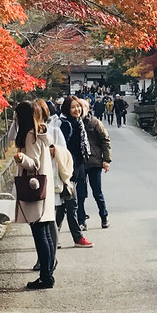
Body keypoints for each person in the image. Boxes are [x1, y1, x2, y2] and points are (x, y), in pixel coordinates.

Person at [14, 99, 72, 288]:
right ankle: (48, 273)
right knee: (45, 232)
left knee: (41, 235)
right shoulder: (41, 133)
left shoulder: (30, 135)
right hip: (43, 189)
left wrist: (21, 159)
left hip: (35, 190)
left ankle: (46, 276)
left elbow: (33, 163)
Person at [58, 97, 94, 248]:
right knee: (71, 205)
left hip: (77, 170)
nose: (76, 110)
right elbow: (62, 150)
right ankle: (77, 238)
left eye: (78, 107)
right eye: (73, 107)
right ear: (67, 109)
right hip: (67, 172)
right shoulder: (66, 125)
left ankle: (54, 237)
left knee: (62, 207)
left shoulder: (78, 123)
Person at [77, 97, 112, 229]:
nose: (79, 109)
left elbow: (105, 140)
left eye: (82, 107)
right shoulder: (74, 123)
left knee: (97, 192)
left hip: (94, 162)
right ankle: (81, 220)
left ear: (87, 108)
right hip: (79, 163)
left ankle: (104, 216)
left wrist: (106, 160)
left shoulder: (95, 123)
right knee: (80, 193)